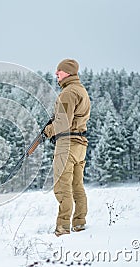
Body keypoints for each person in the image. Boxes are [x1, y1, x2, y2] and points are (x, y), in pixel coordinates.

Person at [43, 59, 91, 236]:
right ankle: (79, 223)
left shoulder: (68, 93)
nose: (56, 74)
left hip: (67, 144)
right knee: (77, 186)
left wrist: (47, 131)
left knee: (62, 187)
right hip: (80, 144)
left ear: (68, 72)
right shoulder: (81, 91)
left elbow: (62, 123)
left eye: (60, 71)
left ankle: (62, 228)